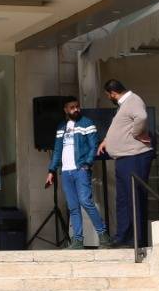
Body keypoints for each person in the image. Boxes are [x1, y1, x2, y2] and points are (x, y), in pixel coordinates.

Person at [45, 97, 111, 250]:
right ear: (65, 110)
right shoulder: (61, 127)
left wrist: (86, 164)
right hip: (66, 172)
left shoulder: (87, 123)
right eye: (72, 107)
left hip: (80, 169)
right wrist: (51, 171)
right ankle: (78, 241)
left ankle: (103, 235)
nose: (76, 109)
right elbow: (57, 150)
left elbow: (93, 145)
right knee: (73, 206)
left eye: (77, 106)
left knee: (86, 202)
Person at [97, 80, 154, 248]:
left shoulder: (133, 100)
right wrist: (107, 140)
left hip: (135, 156)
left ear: (112, 93)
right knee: (123, 199)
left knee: (134, 198)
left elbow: (141, 117)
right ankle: (122, 236)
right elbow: (121, 126)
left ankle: (136, 239)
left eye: (108, 96)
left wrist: (135, 133)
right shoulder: (124, 105)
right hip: (124, 158)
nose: (109, 98)